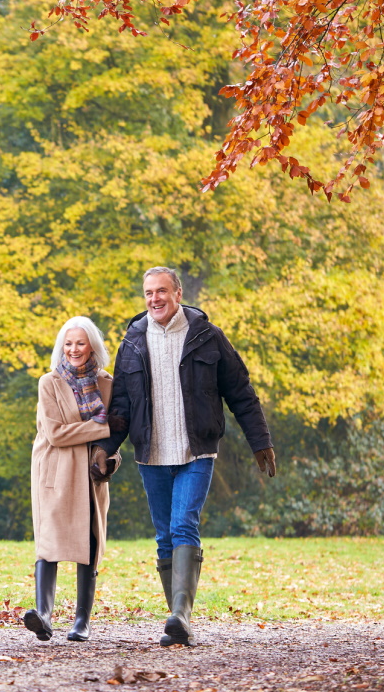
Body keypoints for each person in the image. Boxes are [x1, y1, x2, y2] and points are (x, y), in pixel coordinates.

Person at [95, 267, 276, 647]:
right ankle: (177, 622)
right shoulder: (133, 341)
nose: (154, 299)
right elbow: (123, 406)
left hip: (197, 449)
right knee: (164, 537)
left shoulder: (207, 336)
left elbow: (240, 391)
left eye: (161, 291)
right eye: (148, 293)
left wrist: (260, 441)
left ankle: (181, 615)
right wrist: (106, 449)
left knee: (183, 525)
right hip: (151, 453)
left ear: (178, 293)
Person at [24, 316, 125, 642]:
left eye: (80, 343)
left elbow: (115, 442)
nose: (74, 349)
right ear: (61, 348)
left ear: (92, 345)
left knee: (90, 541)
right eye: (68, 344)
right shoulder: (49, 382)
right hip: (55, 469)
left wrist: (110, 458)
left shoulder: (108, 383)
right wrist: (106, 426)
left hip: (89, 474)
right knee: (49, 542)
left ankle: (82, 620)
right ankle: (44, 614)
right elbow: (56, 433)